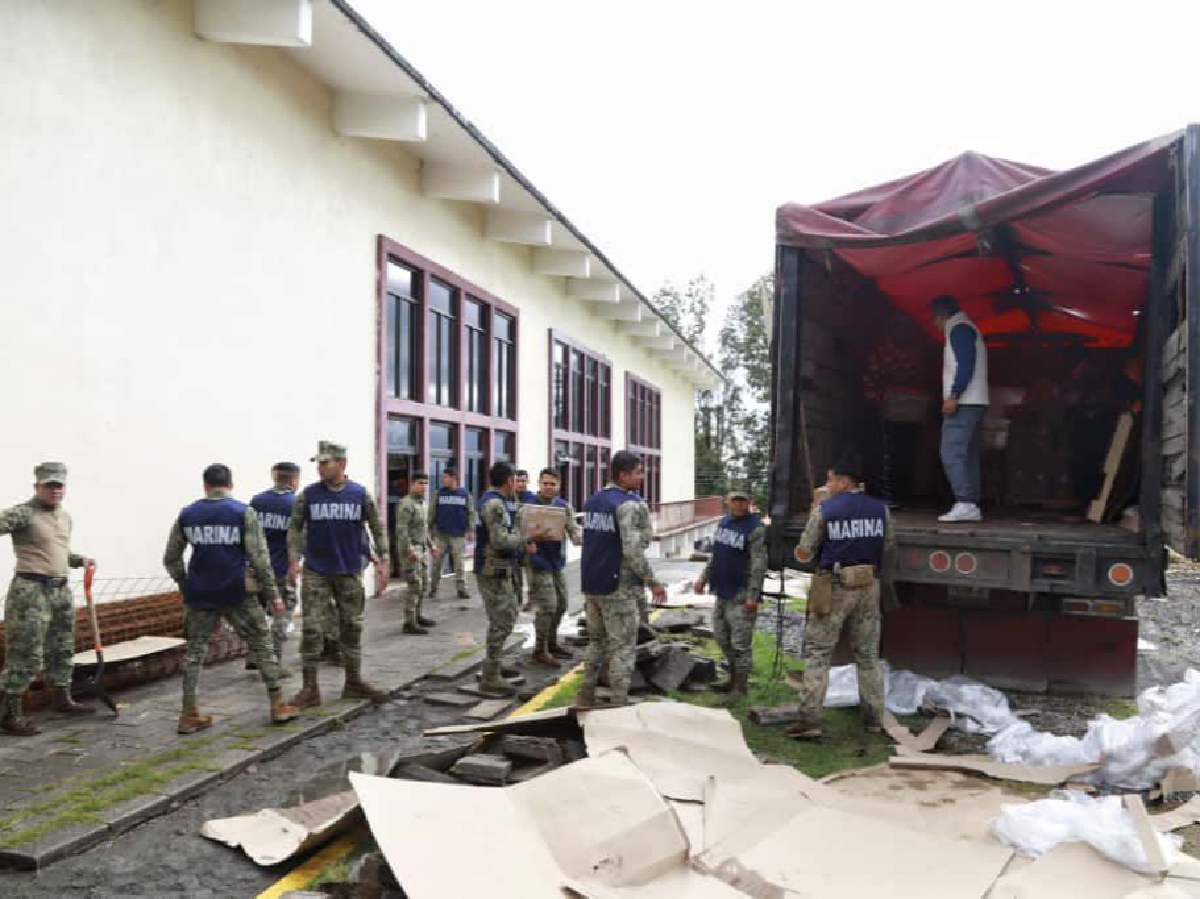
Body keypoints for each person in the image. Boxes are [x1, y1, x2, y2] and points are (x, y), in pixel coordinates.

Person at [164, 464, 300, 735]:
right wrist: (273, 595)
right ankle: (277, 704)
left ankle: (188, 713)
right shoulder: (242, 513)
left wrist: (186, 585)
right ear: (231, 484)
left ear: (205, 485)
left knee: (195, 653)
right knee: (262, 644)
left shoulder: (188, 514)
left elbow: (171, 558)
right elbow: (260, 559)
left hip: (201, 594)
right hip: (238, 592)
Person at [787, 457, 893, 740]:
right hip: (869, 585)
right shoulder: (880, 510)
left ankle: (809, 720)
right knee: (868, 656)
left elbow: (804, 553)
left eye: (831, 479)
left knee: (818, 653)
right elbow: (888, 544)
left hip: (834, 586)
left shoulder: (826, 510)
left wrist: (813, 514)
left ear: (845, 483)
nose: (827, 484)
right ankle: (873, 720)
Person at [288, 441, 391, 710]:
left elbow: (377, 527)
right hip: (316, 571)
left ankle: (353, 682)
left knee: (352, 627)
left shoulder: (359, 494)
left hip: (348, 570)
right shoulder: (309, 495)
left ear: (341, 463)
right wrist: (293, 560)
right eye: (319, 463)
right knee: (311, 629)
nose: (320, 468)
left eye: (325, 462)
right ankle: (310, 689)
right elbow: (295, 528)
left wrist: (384, 560)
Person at [0, 463, 96, 736]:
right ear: (37, 487)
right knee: (25, 652)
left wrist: (79, 560)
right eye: (49, 485)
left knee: (62, 645)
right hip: (31, 592)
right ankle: (9, 713)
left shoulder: (64, 517)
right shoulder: (23, 513)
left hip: (59, 591)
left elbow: (58, 550)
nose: (55, 490)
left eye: (59, 485)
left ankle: (61, 699)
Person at [577, 451, 667, 709]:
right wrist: (653, 581)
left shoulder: (594, 501)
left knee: (597, 643)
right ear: (623, 475)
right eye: (638, 472)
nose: (642, 477)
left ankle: (585, 695)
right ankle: (618, 703)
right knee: (622, 648)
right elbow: (632, 550)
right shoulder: (626, 505)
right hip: (618, 586)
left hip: (593, 584)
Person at [693, 490, 767, 700]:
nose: (738, 505)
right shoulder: (724, 523)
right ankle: (731, 678)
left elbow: (758, 565)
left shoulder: (755, 528)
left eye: (743, 501)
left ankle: (740, 688)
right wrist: (703, 578)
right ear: (728, 502)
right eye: (735, 500)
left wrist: (754, 595)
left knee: (740, 643)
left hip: (741, 592)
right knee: (721, 636)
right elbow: (716, 555)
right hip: (722, 591)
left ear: (749, 503)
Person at [474, 462, 537, 695]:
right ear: (509, 481)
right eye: (514, 479)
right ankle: (490, 675)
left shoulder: (502, 502)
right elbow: (500, 541)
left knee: (506, 616)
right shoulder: (493, 504)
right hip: (492, 570)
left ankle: (495, 663)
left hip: (501, 568)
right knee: (503, 620)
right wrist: (524, 538)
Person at [863, 312, 934, 508]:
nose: (904, 333)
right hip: (889, 411)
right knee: (890, 455)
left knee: (905, 454)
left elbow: (919, 379)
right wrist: (877, 403)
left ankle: (901, 494)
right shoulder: (884, 352)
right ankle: (889, 496)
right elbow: (871, 381)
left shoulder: (911, 353)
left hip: (908, 411)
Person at [1061, 346, 1141, 512]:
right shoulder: (1082, 377)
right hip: (1087, 425)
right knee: (1083, 464)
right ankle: (1086, 502)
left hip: (1103, 425)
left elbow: (1128, 401)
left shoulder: (1113, 379)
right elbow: (1070, 401)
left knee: (1100, 465)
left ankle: (1095, 503)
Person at [931, 295, 988, 523]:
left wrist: (954, 394)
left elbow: (965, 364)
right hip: (975, 401)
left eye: (934, 318)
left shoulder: (959, 329)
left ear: (941, 315)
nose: (934, 323)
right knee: (967, 455)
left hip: (965, 401)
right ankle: (971, 502)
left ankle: (964, 501)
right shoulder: (966, 328)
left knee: (951, 452)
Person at [248, 462, 301, 675]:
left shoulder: (257, 501)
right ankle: (273, 662)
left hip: (255, 569)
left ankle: (254, 656)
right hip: (281, 570)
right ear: (294, 480)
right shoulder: (296, 504)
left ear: (275, 477)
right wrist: (295, 566)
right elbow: (299, 540)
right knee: (283, 612)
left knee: (258, 614)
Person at [527, 468, 582, 667]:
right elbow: (519, 532)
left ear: (559, 485)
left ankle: (551, 642)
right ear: (539, 484)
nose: (549, 487)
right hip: (537, 563)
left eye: (553, 484)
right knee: (548, 606)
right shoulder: (530, 506)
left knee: (562, 604)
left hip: (556, 562)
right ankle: (539, 650)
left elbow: (573, 527)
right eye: (545, 483)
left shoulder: (564, 506)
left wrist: (576, 535)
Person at [395, 472, 436, 635]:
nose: (423, 486)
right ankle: (409, 622)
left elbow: (424, 529)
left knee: (424, 584)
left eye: (426, 483)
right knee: (414, 585)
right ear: (412, 484)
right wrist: (409, 550)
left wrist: (431, 545)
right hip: (411, 550)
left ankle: (418, 616)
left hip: (422, 549)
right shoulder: (406, 504)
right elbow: (402, 530)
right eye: (420, 483)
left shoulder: (423, 504)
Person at [427, 468, 474, 601]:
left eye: (446, 477)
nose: (443, 480)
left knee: (459, 564)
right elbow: (432, 512)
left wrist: (470, 530)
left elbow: (470, 513)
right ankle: (433, 588)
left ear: (454, 478)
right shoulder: (439, 494)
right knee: (437, 563)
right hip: (442, 534)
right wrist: (428, 527)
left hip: (458, 534)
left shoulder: (464, 494)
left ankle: (461, 590)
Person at [510, 469, 536, 611]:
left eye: (523, 481)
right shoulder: (509, 497)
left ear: (528, 482)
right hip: (513, 542)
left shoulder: (532, 498)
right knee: (515, 574)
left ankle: (531, 601)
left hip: (528, 540)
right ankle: (517, 599)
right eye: (518, 481)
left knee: (531, 574)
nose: (520, 484)